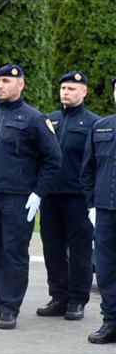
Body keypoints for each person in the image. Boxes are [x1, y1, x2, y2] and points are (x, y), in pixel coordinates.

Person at [0, 64, 61, 330]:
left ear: (21, 84)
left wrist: (38, 194)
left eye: (6, 81)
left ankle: (9, 307)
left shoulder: (33, 118)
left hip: (18, 198)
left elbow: (53, 159)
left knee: (13, 254)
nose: (0, 85)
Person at [38, 71, 99, 320]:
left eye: (72, 89)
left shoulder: (93, 123)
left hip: (78, 198)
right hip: (51, 197)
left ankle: (77, 300)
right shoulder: (48, 121)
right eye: (63, 88)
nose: (66, 92)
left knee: (80, 251)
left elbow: (95, 162)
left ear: (83, 92)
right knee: (52, 249)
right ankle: (58, 296)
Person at [80, 76, 116, 344]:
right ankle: (111, 322)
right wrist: (92, 204)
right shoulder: (101, 127)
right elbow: (88, 170)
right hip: (105, 212)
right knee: (105, 269)